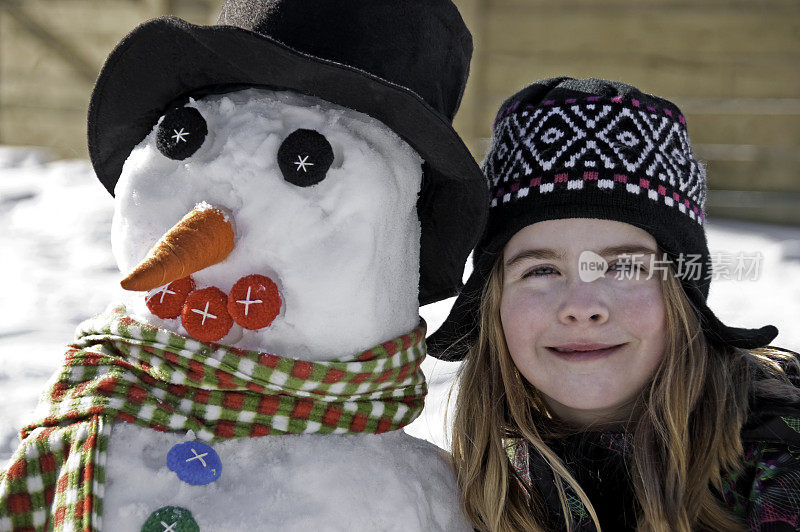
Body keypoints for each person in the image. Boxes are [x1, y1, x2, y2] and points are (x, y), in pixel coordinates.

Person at [427, 77, 800, 532]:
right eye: (541, 270)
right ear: (492, 301)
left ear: (681, 292)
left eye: (624, 266)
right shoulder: (467, 490)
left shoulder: (779, 462)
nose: (582, 307)